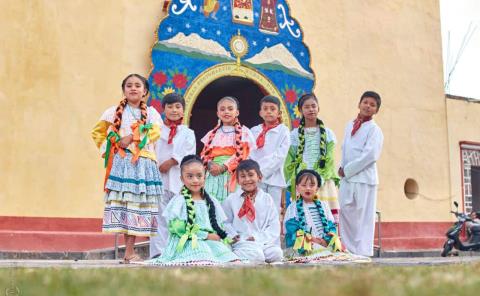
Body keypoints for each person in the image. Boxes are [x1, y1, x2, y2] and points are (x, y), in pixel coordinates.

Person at [91, 73, 163, 263]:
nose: (133, 88)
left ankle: (129, 251)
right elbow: (97, 132)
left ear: (145, 91)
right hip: (123, 164)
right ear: (123, 90)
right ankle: (128, 252)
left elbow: (155, 132)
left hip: (144, 164)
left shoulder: (153, 113)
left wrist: (131, 138)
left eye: (137, 85)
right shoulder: (112, 112)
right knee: (126, 205)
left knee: (138, 207)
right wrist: (111, 148)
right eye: (129, 85)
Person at [148, 155, 240, 266]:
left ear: (204, 177)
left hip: (210, 241)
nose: (195, 180)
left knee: (231, 259)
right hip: (189, 241)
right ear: (182, 179)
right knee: (203, 257)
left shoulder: (212, 201)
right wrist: (205, 235)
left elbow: (219, 224)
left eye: (199, 176)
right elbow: (177, 227)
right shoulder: (179, 201)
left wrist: (220, 235)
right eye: (190, 176)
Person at [149, 93, 196, 258]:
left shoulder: (188, 133)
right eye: (170, 107)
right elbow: (151, 150)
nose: (174, 110)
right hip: (159, 179)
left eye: (178, 107)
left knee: (178, 216)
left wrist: (171, 161)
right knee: (159, 215)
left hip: (178, 180)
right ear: (164, 110)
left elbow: (188, 154)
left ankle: (178, 251)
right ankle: (158, 252)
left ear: (184, 110)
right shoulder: (157, 131)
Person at [338, 91, 384, 257]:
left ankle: (363, 252)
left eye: (372, 105)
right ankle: (348, 250)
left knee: (364, 216)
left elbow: (370, 155)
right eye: (365, 102)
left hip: (364, 179)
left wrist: (348, 169)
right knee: (346, 211)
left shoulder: (374, 130)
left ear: (376, 110)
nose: (368, 106)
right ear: (359, 104)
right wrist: (340, 167)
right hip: (346, 178)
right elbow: (345, 149)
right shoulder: (349, 125)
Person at [284, 93, 340, 222]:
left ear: (318, 108)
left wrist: (320, 176)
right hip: (303, 183)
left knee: (326, 218)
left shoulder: (328, 133)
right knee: (304, 217)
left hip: (324, 181)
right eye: (307, 107)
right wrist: (294, 179)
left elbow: (330, 158)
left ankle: (328, 241)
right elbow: (290, 160)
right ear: (300, 111)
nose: (311, 109)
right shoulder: (294, 135)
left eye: (313, 106)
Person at [222, 159, 283, 263]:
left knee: (277, 253)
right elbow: (224, 222)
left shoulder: (267, 198)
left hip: (261, 240)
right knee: (257, 255)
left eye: (251, 175)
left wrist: (257, 238)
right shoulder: (231, 199)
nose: (247, 179)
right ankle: (233, 254)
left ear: (259, 177)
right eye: (243, 176)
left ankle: (251, 256)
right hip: (242, 241)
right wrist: (232, 235)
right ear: (237, 179)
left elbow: (273, 225)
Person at [200, 96, 256, 202]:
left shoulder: (244, 132)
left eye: (230, 109)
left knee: (231, 204)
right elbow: (204, 153)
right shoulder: (212, 133)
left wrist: (223, 167)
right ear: (217, 113)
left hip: (232, 173)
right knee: (212, 203)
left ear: (237, 112)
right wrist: (210, 164)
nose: (226, 112)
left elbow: (242, 154)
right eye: (222, 109)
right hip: (213, 173)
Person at [284, 170, 342, 260]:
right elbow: (292, 229)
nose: (308, 188)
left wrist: (325, 240)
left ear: (317, 188)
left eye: (311, 185)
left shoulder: (324, 205)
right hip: (304, 246)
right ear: (297, 188)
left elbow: (331, 227)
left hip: (324, 243)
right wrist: (312, 240)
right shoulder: (293, 207)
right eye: (303, 185)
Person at [250, 96, 290, 215]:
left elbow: (280, 155)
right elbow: (250, 153)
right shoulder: (254, 131)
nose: (269, 111)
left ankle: (273, 233)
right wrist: (255, 172)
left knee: (273, 209)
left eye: (272, 109)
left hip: (275, 177)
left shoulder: (283, 131)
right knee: (256, 206)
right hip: (256, 177)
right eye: (265, 109)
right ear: (260, 113)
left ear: (279, 113)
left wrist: (262, 170)